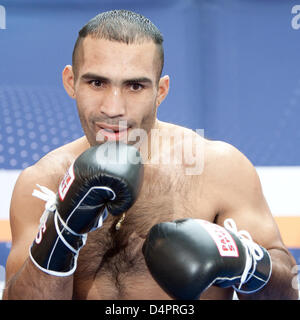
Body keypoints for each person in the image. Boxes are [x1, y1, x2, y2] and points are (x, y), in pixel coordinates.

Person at [3, 9, 298, 300]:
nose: (113, 108)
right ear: (71, 82)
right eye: (97, 83)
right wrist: (61, 232)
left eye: (134, 86)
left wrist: (247, 263)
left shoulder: (219, 170)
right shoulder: (42, 183)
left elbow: (287, 294)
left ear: (160, 90)